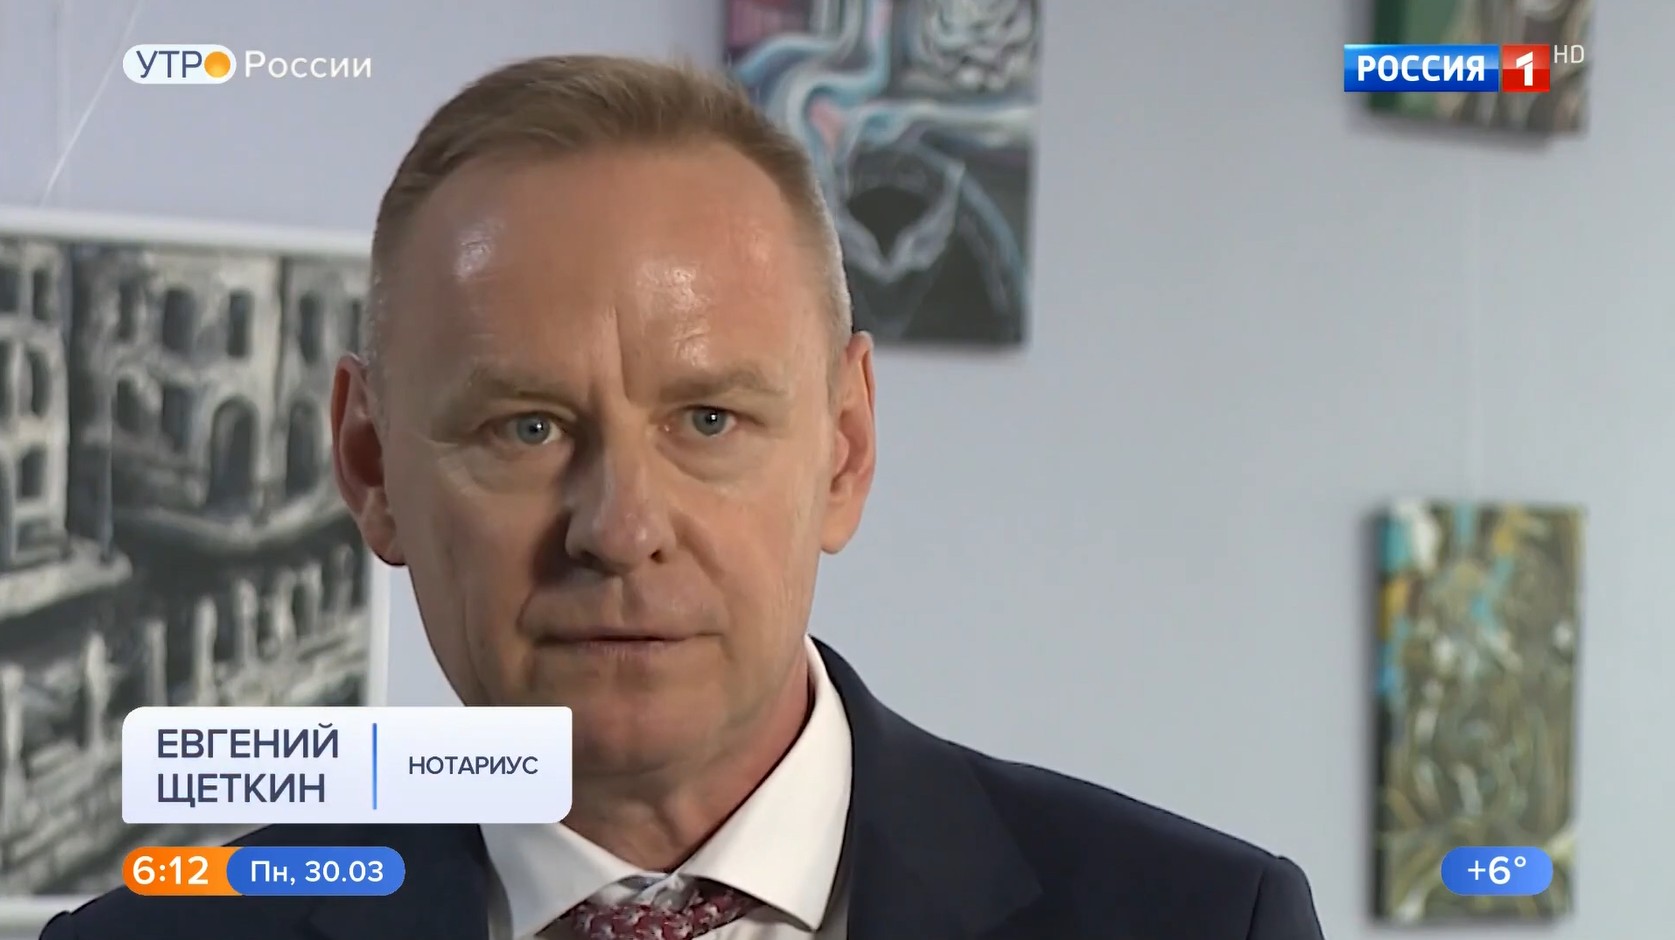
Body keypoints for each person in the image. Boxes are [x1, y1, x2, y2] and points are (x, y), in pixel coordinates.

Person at [41, 55, 1325, 940]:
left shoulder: (1200, 921)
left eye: (707, 419)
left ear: (843, 448)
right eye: (526, 427)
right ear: (371, 467)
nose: (618, 529)